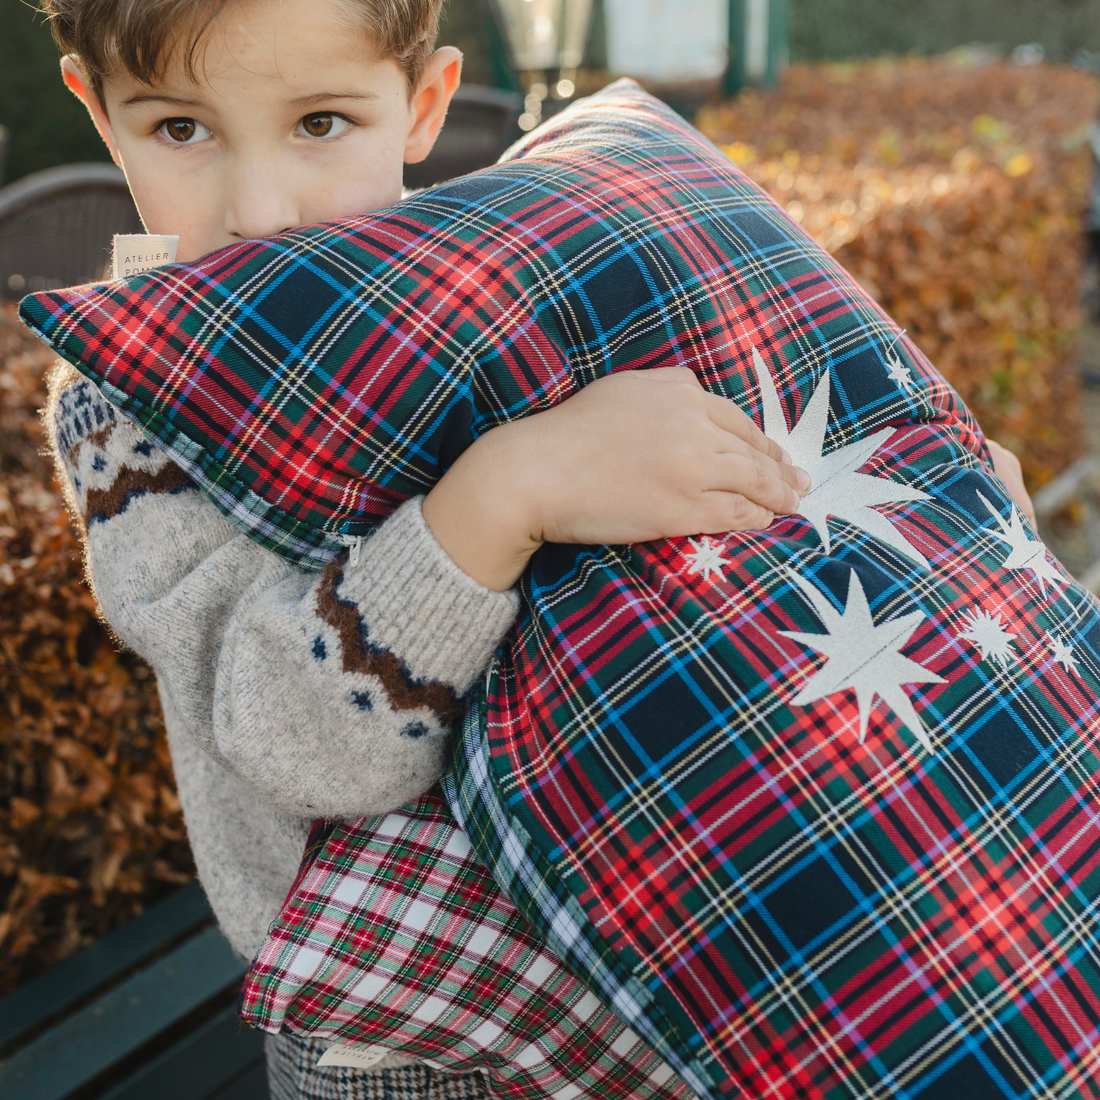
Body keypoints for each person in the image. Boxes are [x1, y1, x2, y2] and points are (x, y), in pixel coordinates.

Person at [40, 0, 1036, 1095]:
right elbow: (300, 750)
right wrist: (504, 493)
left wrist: (943, 517)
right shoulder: (135, 407)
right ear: (97, 107)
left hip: (655, 962)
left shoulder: (515, 276)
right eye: (180, 129)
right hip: (414, 1031)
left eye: (321, 121)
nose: (258, 209)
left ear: (420, 104)